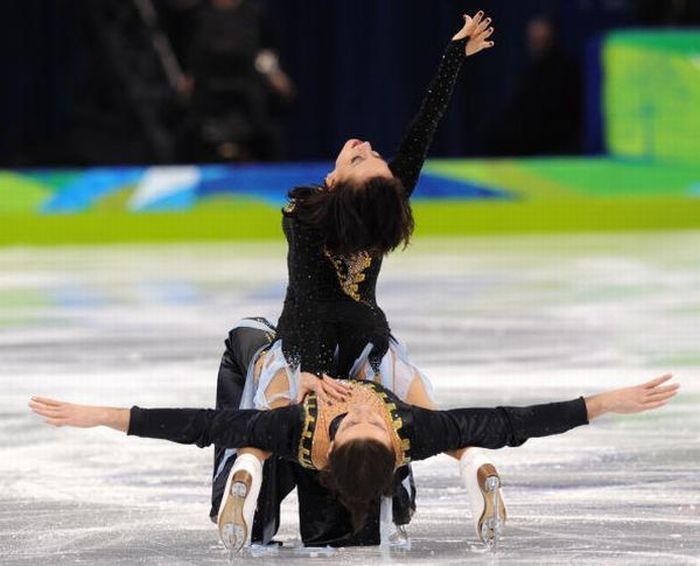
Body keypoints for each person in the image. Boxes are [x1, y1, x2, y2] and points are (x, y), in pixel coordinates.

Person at [210, 9, 501, 551]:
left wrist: (308, 373)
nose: (366, 147)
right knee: (428, 417)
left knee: (272, 420)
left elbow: (312, 302)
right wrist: (454, 56)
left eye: (364, 158)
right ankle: (474, 463)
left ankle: (245, 479)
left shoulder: (304, 219)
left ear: (341, 185)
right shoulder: (382, 210)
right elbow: (422, 134)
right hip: (371, 341)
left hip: (309, 343)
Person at [29, 373, 678, 554]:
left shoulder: (301, 426)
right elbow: (512, 423)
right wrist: (606, 403)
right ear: (397, 448)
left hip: (289, 439)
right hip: (380, 466)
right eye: (371, 418)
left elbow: (202, 426)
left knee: (254, 415)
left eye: (355, 420)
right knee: (456, 419)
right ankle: (472, 465)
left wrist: (100, 415)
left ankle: (247, 474)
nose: (364, 407)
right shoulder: (412, 426)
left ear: (329, 444)